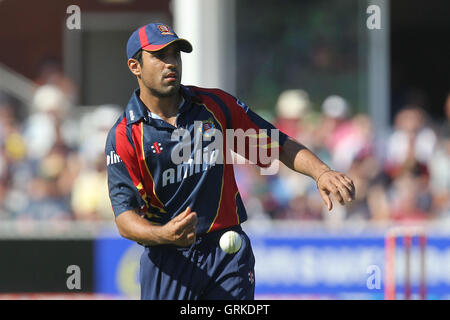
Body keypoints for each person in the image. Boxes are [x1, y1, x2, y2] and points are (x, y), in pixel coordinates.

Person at [105, 23, 355, 300]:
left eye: (175, 55)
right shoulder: (125, 136)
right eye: (160, 56)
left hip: (227, 253)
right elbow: (124, 218)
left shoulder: (214, 105)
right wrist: (164, 234)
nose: (171, 63)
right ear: (135, 66)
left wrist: (321, 172)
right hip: (168, 259)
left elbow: (276, 145)